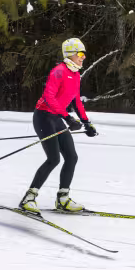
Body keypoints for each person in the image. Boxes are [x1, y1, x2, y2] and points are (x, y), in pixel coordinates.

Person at [19, 37, 98, 215]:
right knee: (53, 159)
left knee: (71, 157)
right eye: (80, 53)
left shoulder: (76, 74)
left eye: (84, 54)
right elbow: (49, 97)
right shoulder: (58, 71)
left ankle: (63, 199)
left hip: (57, 118)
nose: (83, 57)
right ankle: (28, 198)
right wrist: (67, 118)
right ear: (70, 54)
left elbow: (76, 101)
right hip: (44, 117)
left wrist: (87, 123)